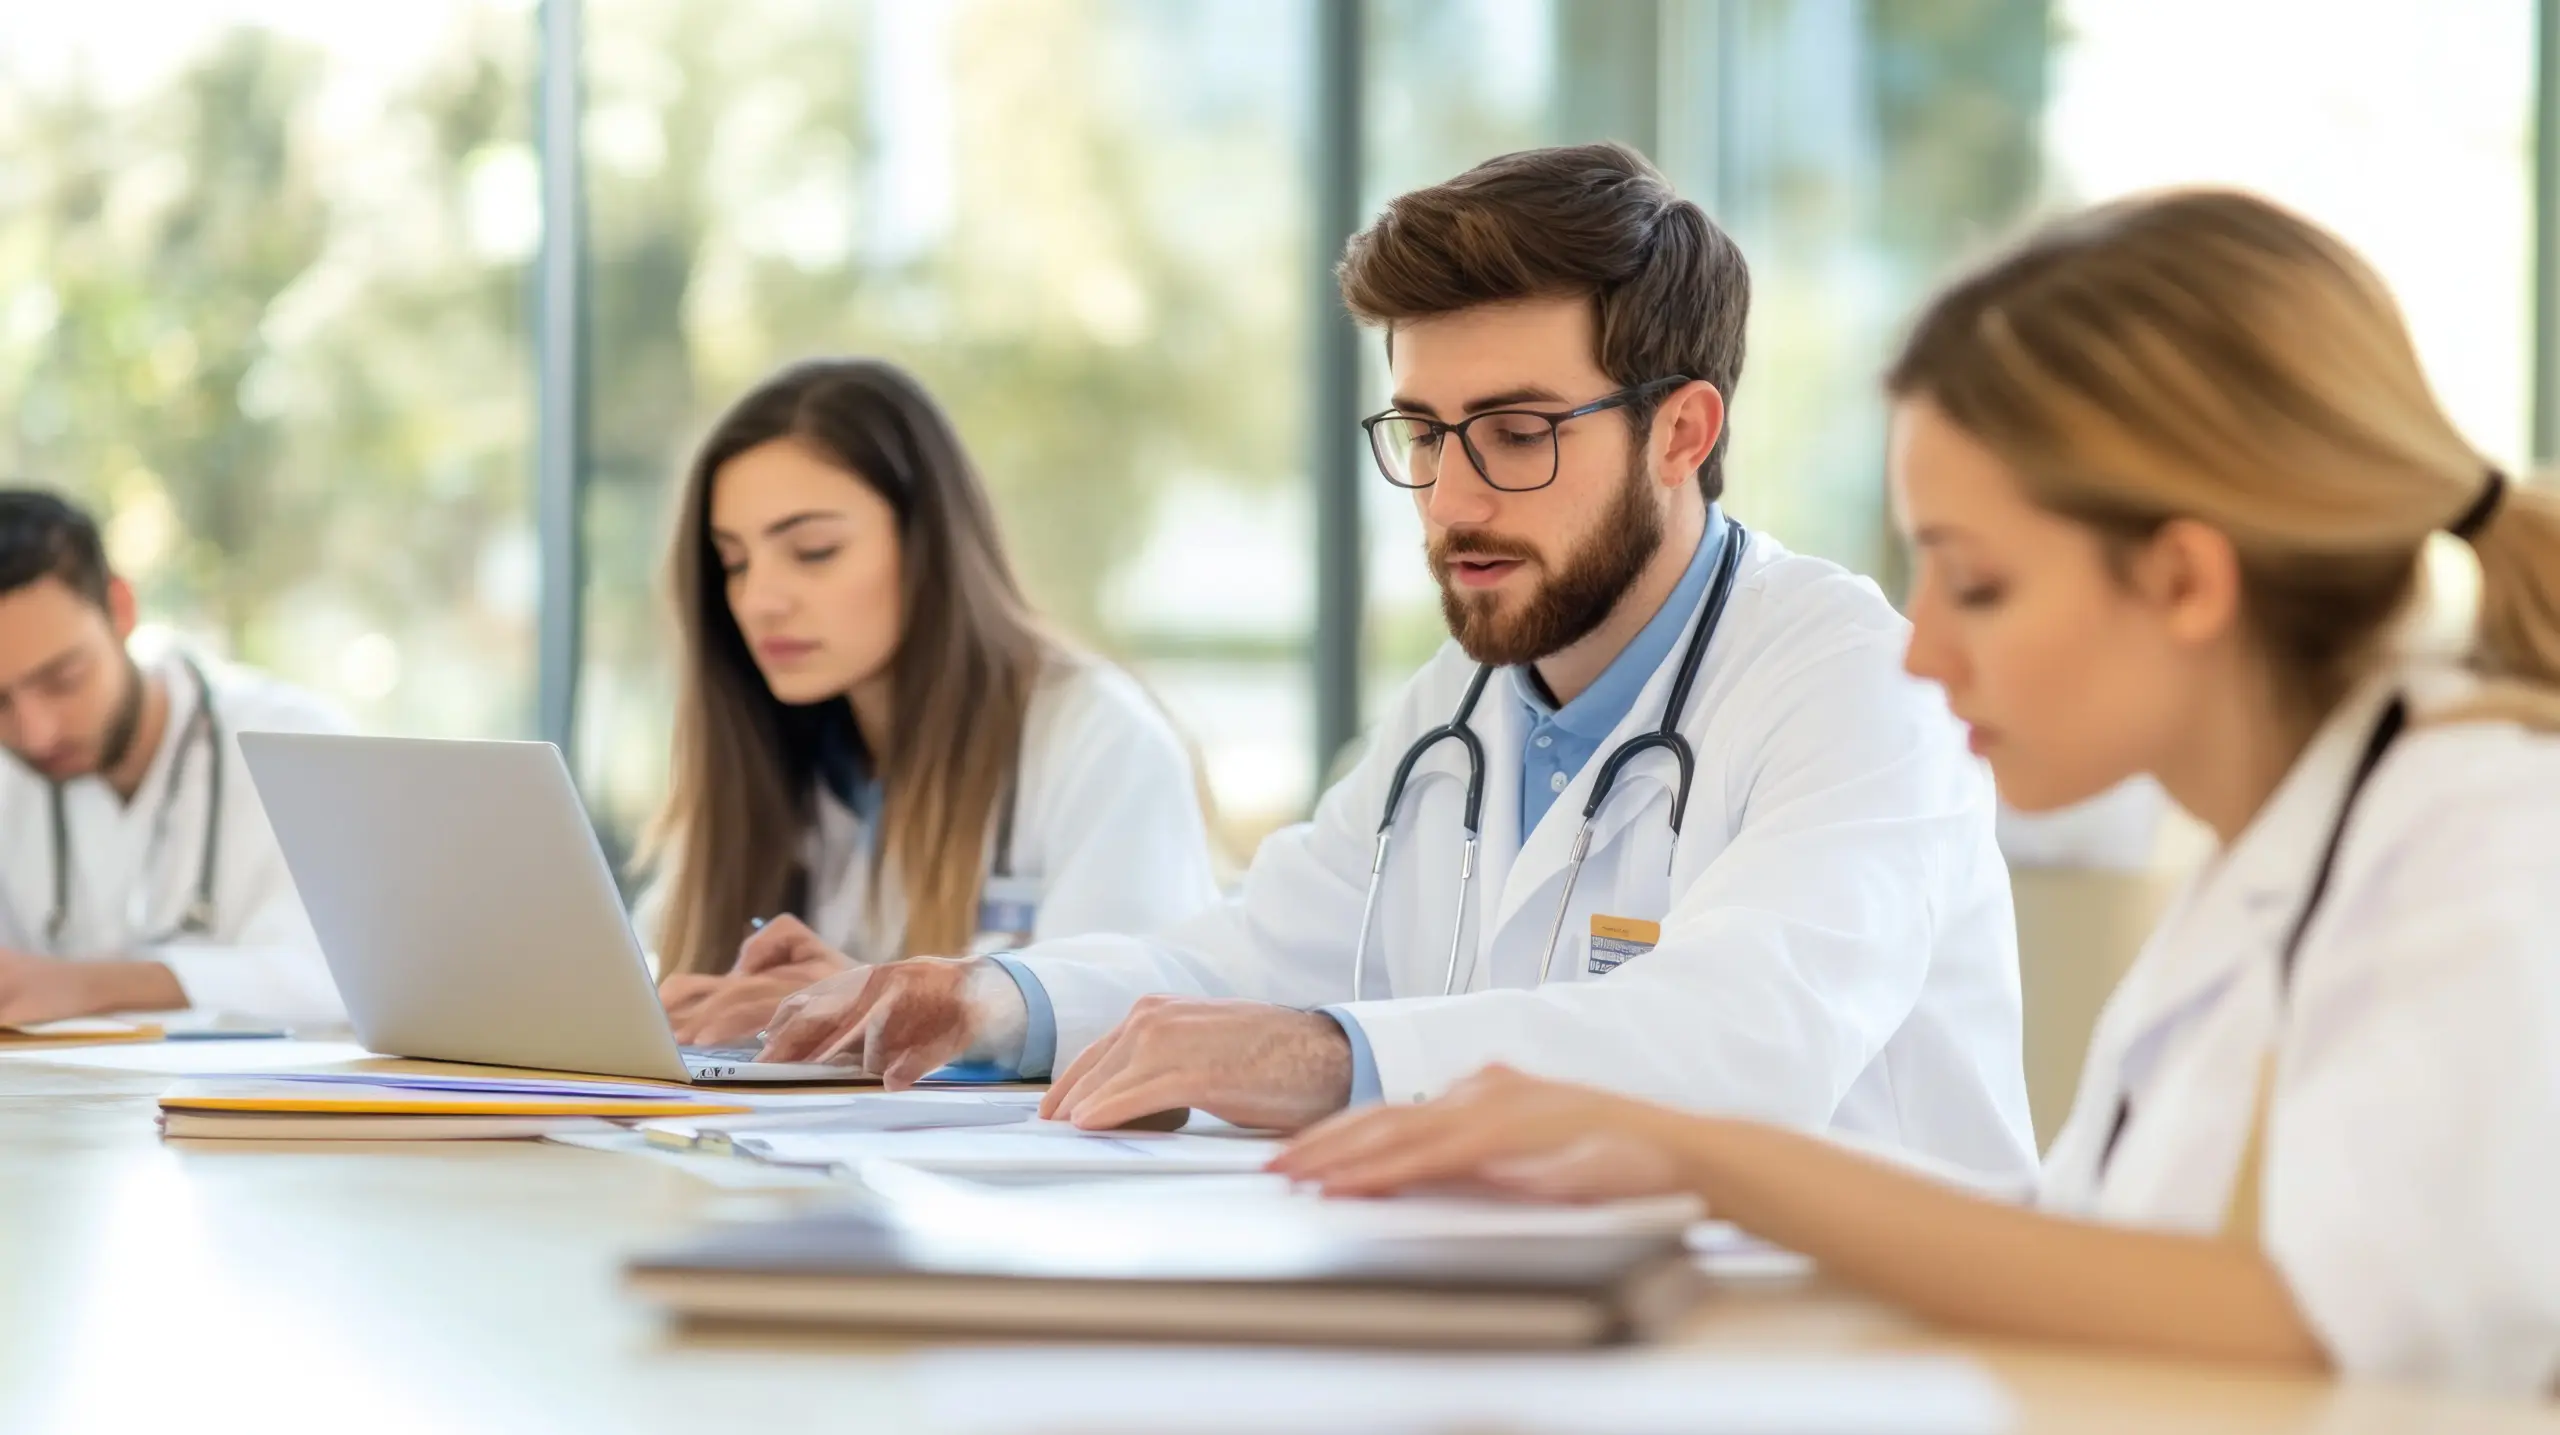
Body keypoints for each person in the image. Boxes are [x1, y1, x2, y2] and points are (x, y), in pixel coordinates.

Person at [1274, 190, 2560, 1394]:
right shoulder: (2279, 849)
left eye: (1978, 582)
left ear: (2182, 581)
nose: (1926, 650)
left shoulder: (2477, 842)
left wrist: (1701, 1152)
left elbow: (2328, 1328)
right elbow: (2102, 1260)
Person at [753, 143, 2036, 1184]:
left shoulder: (1858, 679)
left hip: (1854, 1357)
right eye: (1422, 432)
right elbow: (1256, 956)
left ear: (1681, 431)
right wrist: (985, 1000)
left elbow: (1745, 1033)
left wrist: (1324, 1056)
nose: (1451, 502)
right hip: (1551, 1327)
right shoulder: (1469, 699)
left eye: (1517, 432)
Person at [647, 358, 1221, 1054]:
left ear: (928, 543)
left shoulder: (1096, 738)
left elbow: (1139, 1034)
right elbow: (650, 966)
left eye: (813, 550)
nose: (759, 599)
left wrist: (892, 1009)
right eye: (735, 562)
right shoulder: (772, 757)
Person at [0, 489, 349, 1026]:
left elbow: (335, 979)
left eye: (63, 679)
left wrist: (88, 986)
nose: (36, 733)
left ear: (121, 609)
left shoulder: (301, 745)